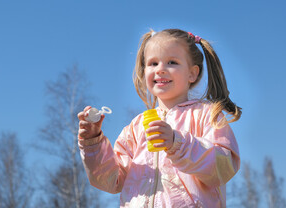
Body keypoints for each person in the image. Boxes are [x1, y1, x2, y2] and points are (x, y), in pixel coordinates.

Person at [77, 28, 242, 207]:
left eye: (172, 62)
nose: (160, 69)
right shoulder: (136, 127)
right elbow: (110, 179)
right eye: (153, 63)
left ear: (192, 73)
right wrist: (92, 142)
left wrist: (177, 143)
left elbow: (224, 167)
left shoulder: (206, 115)